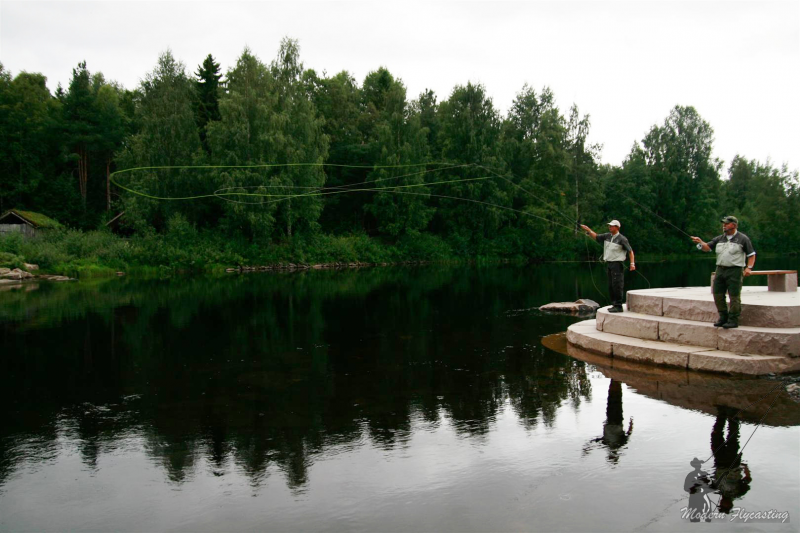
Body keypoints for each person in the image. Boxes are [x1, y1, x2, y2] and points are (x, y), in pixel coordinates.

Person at [691, 216, 756, 329]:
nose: (724, 225)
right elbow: (707, 248)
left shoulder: (743, 239)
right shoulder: (719, 238)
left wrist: (749, 268)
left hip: (735, 270)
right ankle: (723, 317)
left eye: (726, 223)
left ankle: (733, 320)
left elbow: (751, 255)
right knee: (717, 294)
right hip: (720, 270)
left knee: (734, 296)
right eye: (723, 223)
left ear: (734, 225)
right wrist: (700, 242)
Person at [580, 220, 635, 313]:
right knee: (611, 286)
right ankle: (614, 304)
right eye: (609, 226)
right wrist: (588, 230)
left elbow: (630, 251)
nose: (610, 227)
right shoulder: (607, 236)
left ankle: (618, 306)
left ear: (617, 227)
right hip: (609, 264)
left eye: (612, 226)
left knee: (617, 285)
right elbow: (596, 237)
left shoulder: (622, 239)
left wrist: (632, 264)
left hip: (617, 264)